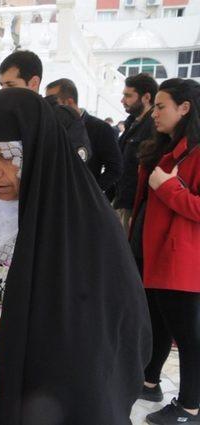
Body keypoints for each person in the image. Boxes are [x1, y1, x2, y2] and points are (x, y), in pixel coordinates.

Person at [0, 88, 151, 425]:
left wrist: (5, 344)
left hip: (34, 393)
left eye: (7, 157)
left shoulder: (75, 218)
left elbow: (92, 327)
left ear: (36, 151)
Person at [130, 78, 200, 425]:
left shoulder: (197, 152)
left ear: (184, 108)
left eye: (161, 106)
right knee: (156, 322)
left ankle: (189, 407)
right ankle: (149, 381)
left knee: (188, 336)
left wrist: (170, 187)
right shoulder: (165, 146)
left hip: (180, 260)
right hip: (151, 251)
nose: (154, 113)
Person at [0, 49, 91, 197]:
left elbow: (71, 169)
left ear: (33, 83)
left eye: (10, 85)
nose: (3, 92)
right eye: (1, 86)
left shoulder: (59, 119)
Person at [46, 78, 123, 194]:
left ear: (69, 102)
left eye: (53, 103)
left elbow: (115, 168)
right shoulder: (51, 128)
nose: (49, 108)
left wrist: (91, 192)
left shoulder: (100, 128)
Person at [113, 73, 158, 231]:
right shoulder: (132, 122)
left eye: (128, 96)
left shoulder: (153, 127)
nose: (122, 100)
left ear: (146, 97)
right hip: (122, 200)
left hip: (133, 206)